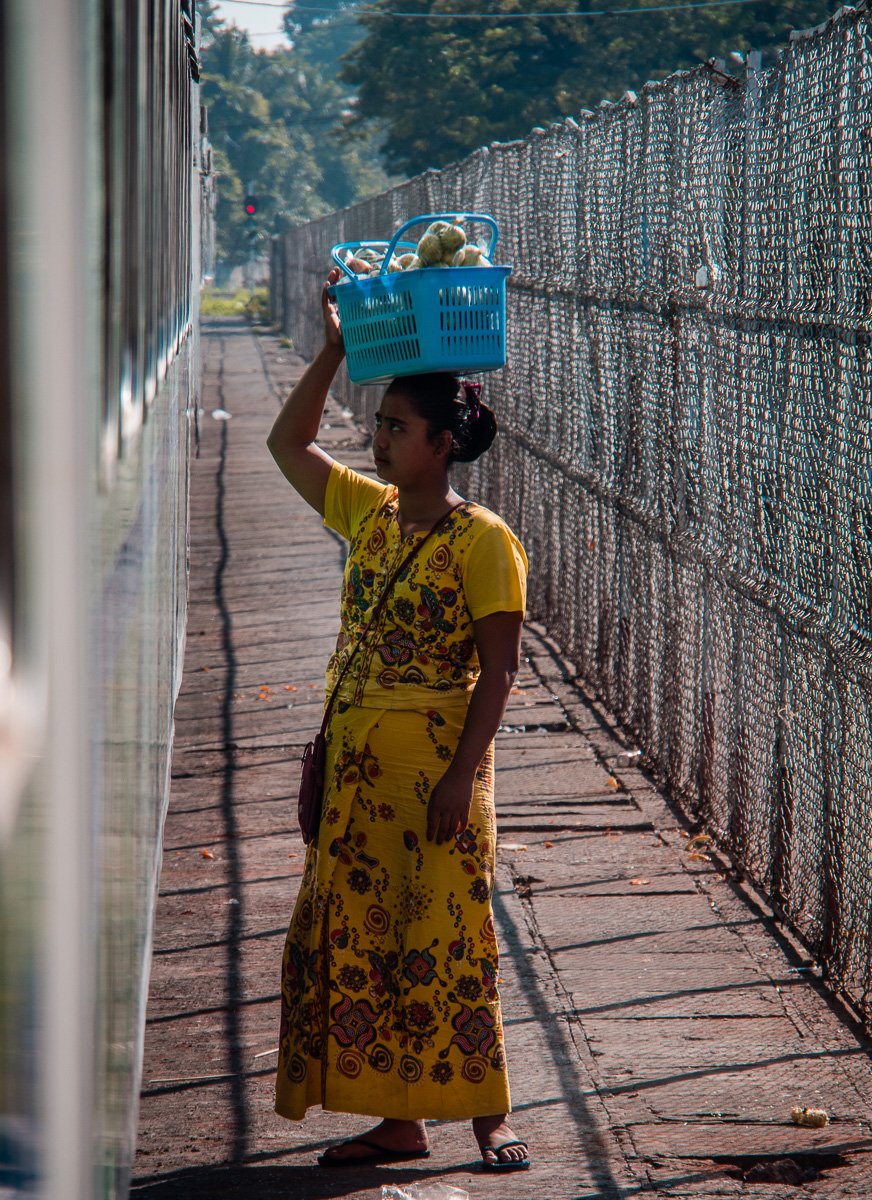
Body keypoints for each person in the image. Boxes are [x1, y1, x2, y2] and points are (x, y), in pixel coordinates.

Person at [267, 267, 530, 1172]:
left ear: (444, 442)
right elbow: (288, 442)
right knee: (367, 938)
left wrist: (462, 775)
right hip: (359, 774)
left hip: (435, 778)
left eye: (396, 428)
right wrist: (336, 349)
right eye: (376, 425)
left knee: (450, 935)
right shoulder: (368, 513)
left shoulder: (484, 541)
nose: (377, 441)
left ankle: (486, 1114)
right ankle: (398, 1119)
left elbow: (499, 669)